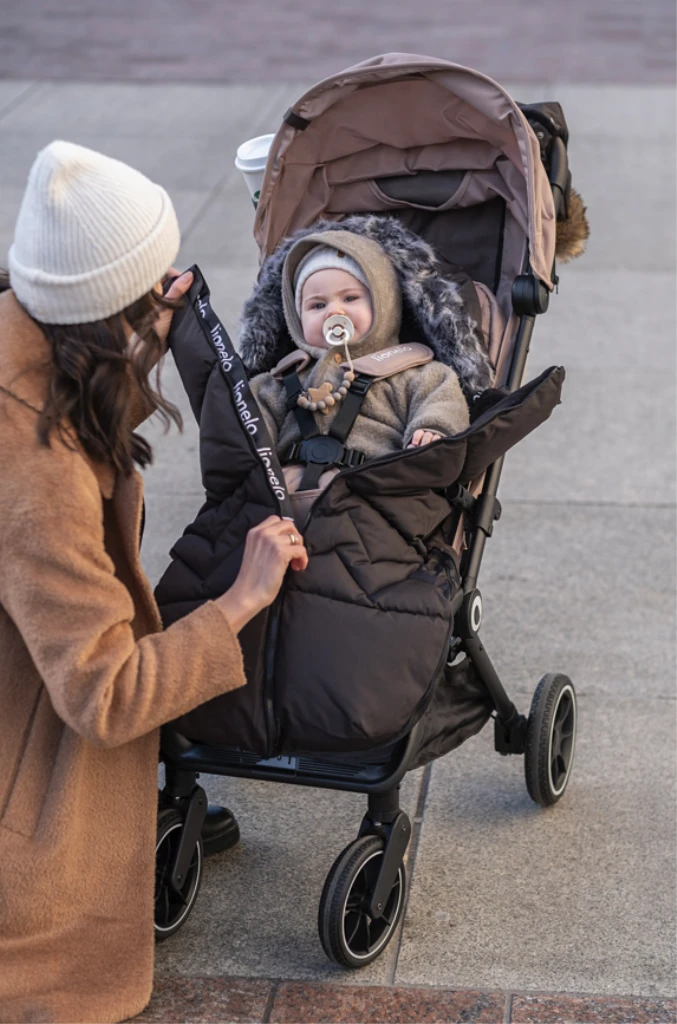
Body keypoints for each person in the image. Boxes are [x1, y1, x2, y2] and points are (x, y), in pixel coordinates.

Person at [0, 140, 308, 1024]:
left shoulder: (23, 335)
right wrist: (239, 601)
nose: (171, 282)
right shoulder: (37, 469)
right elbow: (104, 692)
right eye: (150, 282)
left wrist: (135, 351)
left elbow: (69, 404)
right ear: (111, 306)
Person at [249, 231, 471, 486]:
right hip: (286, 498)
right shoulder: (279, 381)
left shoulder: (415, 373)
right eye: (317, 306)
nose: (334, 310)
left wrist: (432, 428)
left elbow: (442, 401)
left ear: (384, 306)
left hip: (374, 488)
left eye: (350, 298)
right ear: (296, 320)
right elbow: (250, 422)